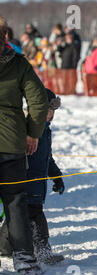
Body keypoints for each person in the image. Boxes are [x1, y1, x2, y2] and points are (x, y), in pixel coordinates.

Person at [0, 15, 49, 275]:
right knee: (15, 201)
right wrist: (33, 134)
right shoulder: (18, 63)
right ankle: (25, 260)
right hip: (11, 143)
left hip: (10, 142)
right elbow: (39, 102)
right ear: (6, 38)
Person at [0, 89, 65, 265]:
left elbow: (47, 158)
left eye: (53, 111)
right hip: (25, 181)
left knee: (20, 215)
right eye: (48, 110)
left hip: (37, 183)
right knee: (35, 215)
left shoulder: (45, 130)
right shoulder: (27, 130)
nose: (51, 114)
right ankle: (43, 251)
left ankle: (4, 247)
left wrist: (56, 176)